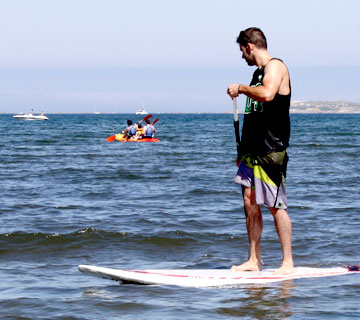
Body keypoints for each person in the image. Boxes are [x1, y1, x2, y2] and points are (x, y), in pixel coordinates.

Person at [227, 27, 294, 275]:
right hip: (252, 150)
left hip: (271, 148)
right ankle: (254, 260)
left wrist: (242, 88)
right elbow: (253, 117)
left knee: (275, 204)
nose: (242, 56)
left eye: (242, 51)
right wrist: (242, 151)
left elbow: (267, 94)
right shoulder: (257, 73)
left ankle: (288, 262)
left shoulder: (275, 67)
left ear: (249, 45)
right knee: (249, 202)